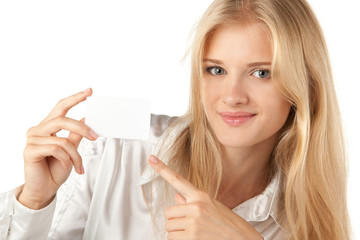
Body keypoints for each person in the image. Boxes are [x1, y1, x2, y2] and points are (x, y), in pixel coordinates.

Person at [0, 0, 352, 239]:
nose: (232, 95)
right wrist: (34, 201)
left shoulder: (302, 223)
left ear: (304, 85)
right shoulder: (116, 148)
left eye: (261, 73)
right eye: (215, 70)